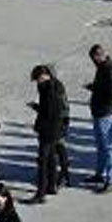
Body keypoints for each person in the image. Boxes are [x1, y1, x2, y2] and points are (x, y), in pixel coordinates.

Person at [84, 44, 112, 193]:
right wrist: (94, 87)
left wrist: (97, 92)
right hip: (100, 111)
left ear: (99, 56)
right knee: (101, 145)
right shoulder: (103, 67)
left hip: (105, 112)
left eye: (94, 59)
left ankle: (111, 179)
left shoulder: (110, 69)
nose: (93, 62)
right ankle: (101, 174)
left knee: (108, 146)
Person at [28, 65, 66, 203]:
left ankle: (41, 193)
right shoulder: (57, 85)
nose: (37, 83)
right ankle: (52, 185)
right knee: (51, 159)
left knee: (43, 162)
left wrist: (36, 107)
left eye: (37, 79)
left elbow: (48, 112)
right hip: (55, 129)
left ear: (43, 76)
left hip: (47, 130)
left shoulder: (47, 90)